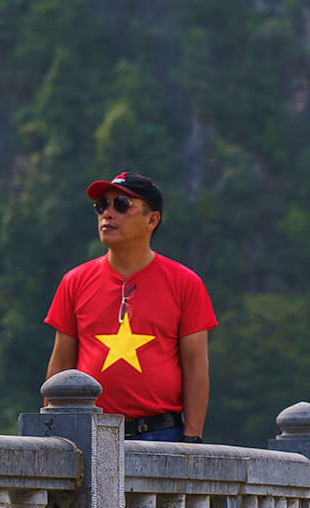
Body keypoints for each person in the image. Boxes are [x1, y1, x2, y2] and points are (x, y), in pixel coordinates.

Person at [42, 171, 216, 441]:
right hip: (89, 434)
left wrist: (192, 438)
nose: (107, 214)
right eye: (102, 205)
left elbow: (195, 366)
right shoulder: (74, 281)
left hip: (162, 434)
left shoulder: (185, 283)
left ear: (152, 219)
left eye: (121, 204)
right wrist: (51, 434)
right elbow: (60, 365)